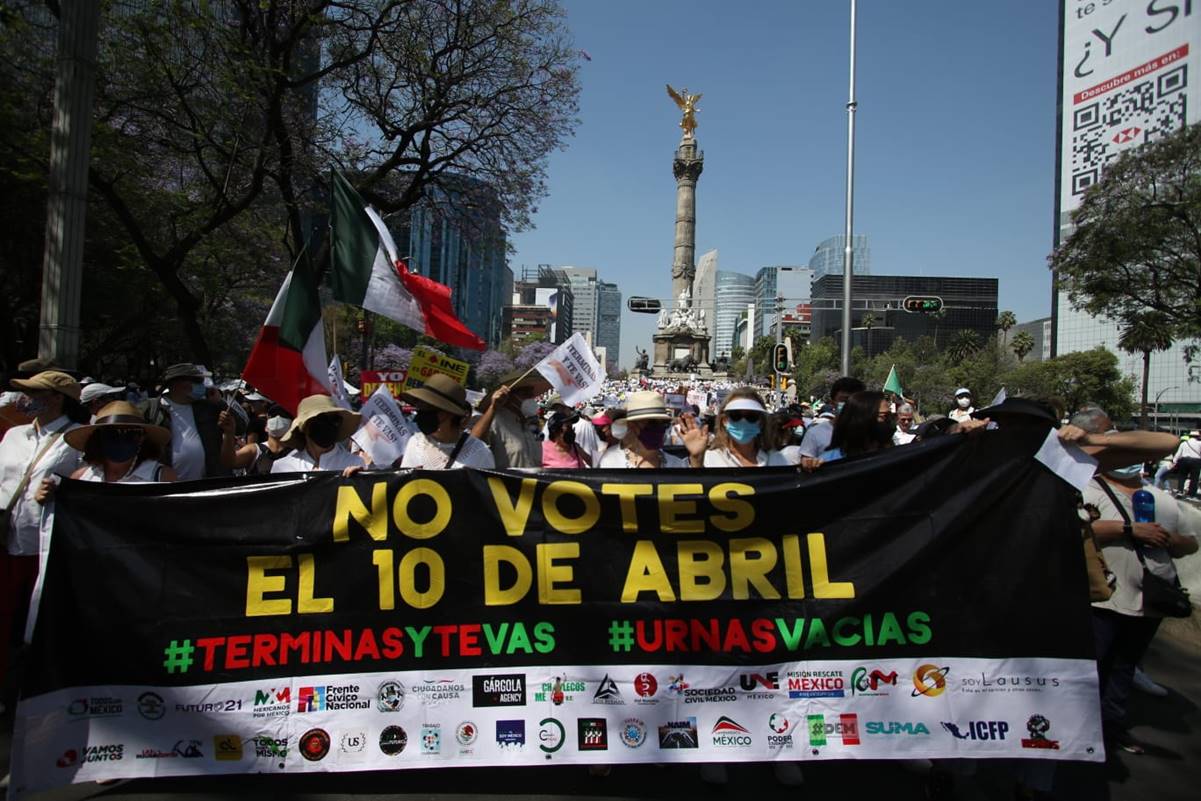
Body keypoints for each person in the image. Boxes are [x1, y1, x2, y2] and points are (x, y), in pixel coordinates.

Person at [1080, 417, 1199, 754]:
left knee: (1124, 666)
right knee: (1093, 666)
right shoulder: (1085, 490)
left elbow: (1189, 543)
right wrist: (1128, 530)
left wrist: (1171, 540)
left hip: (1150, 599)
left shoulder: (1160, 498)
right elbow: (1072, 529)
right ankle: (1081, 729)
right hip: (1102, 600)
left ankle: (1112, 727)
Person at [0, 370, 83, 713]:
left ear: (56, 399)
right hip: (6, 543)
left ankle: (30, 695)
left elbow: (88, 483)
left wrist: (61, 490)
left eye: (35, 393)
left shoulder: (76, 438)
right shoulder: (13, 435)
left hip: (45, 546)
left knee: (36, 624)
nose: (26, 399)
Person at [139, 363, 232, 480]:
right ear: (177, 383)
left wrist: (220, 401)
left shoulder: (208, 407)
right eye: (197, 381)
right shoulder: (151, 409)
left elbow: (241, 426)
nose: (202, 385)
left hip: (206, 484)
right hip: (165, 485)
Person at [56, 401, 176, 484]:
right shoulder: (81, 478)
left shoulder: (162, 477)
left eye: (130, 432)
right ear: (98, 437)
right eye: (111, 432)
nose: (121, 438)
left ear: (142, 437)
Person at [399, 374, 494, 469]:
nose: (420, 416)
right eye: (419, 410)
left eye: (428, 410)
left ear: (449, 413)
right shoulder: (416, 443)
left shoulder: (478, 452)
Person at [597, 391, 705, 468]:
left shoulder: (675, 464)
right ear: (632, 425)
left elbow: (694, 489)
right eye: (652, 422)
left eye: (663, 423)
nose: (659, 428)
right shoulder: (611, 462)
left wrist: (697, 459)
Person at [271, 394, 366, 474]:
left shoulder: (354, 463)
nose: (329, 425)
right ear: (305, 427)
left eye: (335, 419)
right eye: (322, 420)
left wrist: (359, 481)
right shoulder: (283, 468)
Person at [474, 370, 550, 469]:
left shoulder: (532, 425)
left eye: (531, 394)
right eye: (525, 394)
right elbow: (473, 444)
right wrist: (493, 407)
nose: (531, 398)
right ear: (508, 396)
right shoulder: (494, 421)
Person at [702, 389, 791, 467]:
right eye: (736, 415)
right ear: (724, 420)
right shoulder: (710, 459)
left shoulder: (777, 460)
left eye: (751, 416)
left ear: (761, 422)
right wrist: (696, 460)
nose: (743, 421)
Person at [816, 390, 895, 463]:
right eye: (883, 416)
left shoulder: (893, 455)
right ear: (861, 419)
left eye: (890, 415)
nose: (889, 420)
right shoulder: (828, 462)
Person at [798, 376, 865, 457]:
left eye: (854, 401)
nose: (849, 405)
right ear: (832, 402)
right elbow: (806, 462)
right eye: (844, 400)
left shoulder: (870, 432)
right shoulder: (814, 433)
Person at [1170, 430, 1201, 498]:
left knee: (1182, 477)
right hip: (1196, 461)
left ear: (1189, 436)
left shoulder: (1184, 443)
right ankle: (1191, 494)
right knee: (1194, 478)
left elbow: (1178, 453)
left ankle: (1180, 491)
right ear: (1197, 437)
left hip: (1184, 460)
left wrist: (1174, 461)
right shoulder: (1199, 443)